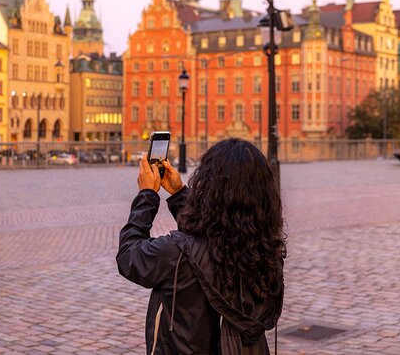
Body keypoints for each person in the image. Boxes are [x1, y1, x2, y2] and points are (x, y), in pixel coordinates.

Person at [116, 138, 285, 354]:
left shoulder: (177, 253)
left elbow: (130, 256)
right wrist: (179, 195)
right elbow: (213, 231)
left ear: (209, 186)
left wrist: (147, 196)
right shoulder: (263, 251)